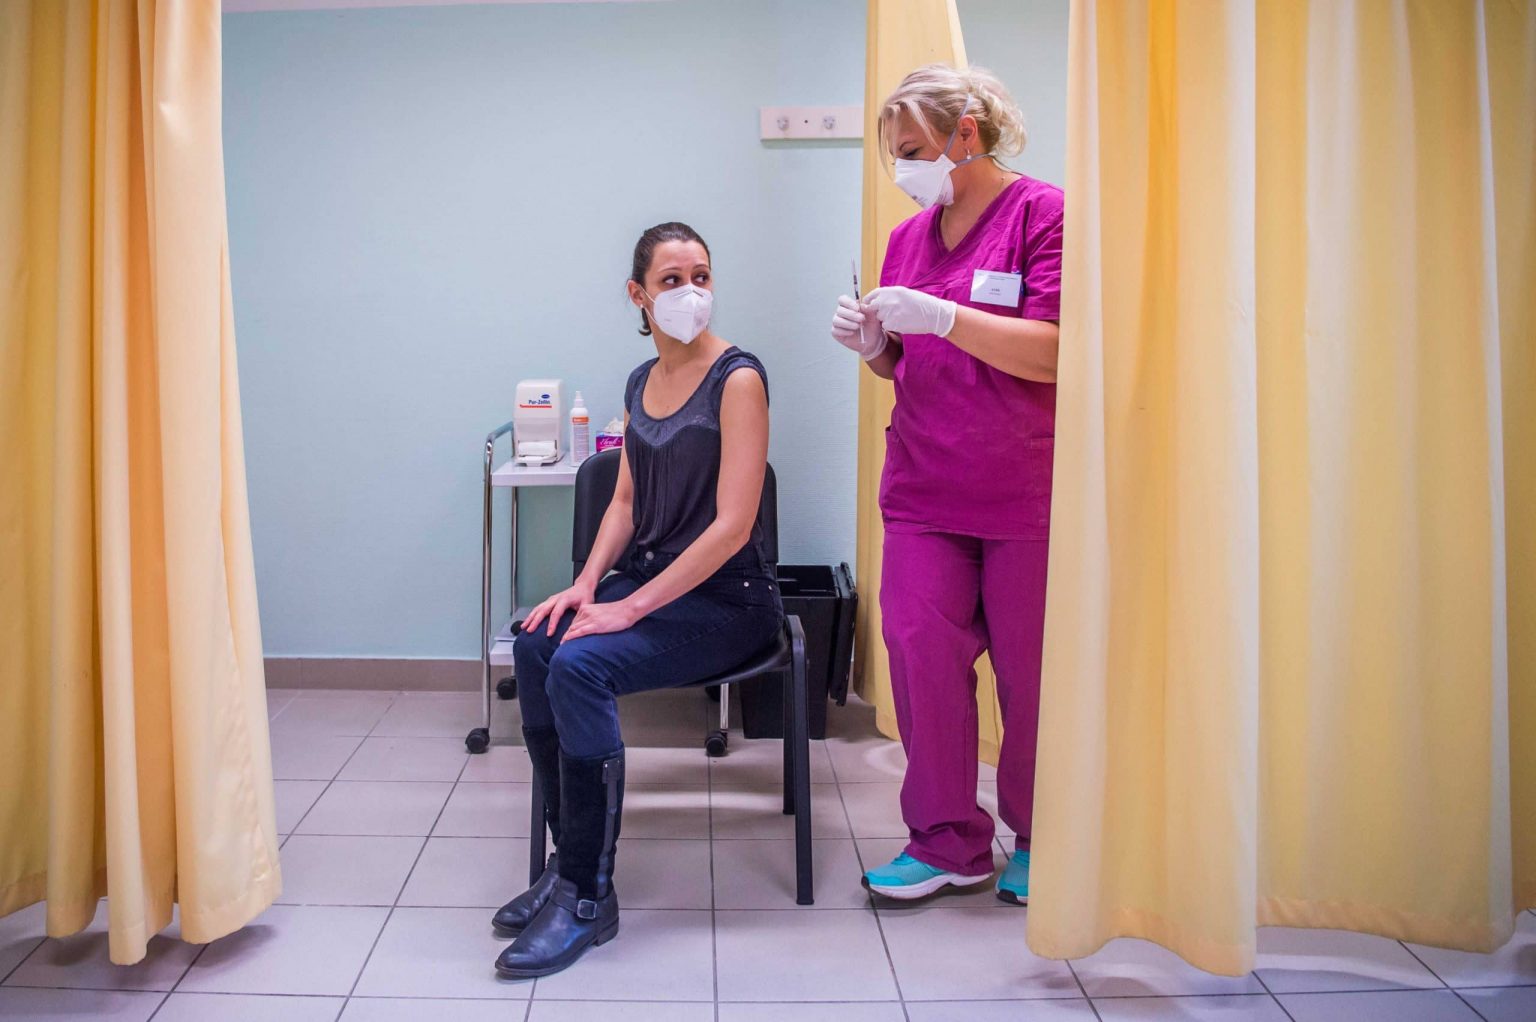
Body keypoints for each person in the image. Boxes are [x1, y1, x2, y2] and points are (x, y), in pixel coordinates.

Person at [493, 222, 781, 977]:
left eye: (701, 276)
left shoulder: (738, 380)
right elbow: (624, 500)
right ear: (638, 294)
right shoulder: (639, 380)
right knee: (536, 641)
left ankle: (588, 896)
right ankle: (570, 861)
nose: (691, 293)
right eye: (671, 280)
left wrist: (627, 609)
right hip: (652, 583)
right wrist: (587, 584)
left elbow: (733, 527)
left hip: (729, 602)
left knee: (581, 665)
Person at [831, 65, 1063, 904]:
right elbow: (904, 363)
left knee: (1033, 678)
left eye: (913, 148)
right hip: (925, 490)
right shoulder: (907, 240)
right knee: (922, 664)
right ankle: (946, 841)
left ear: (968, 131)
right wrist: (874, 347)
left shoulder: (1044, 215)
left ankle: (1043, 840)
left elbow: (1057, 350)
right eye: (895, 153)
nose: (904, 168)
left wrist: (948, 317)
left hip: (1023, 491)